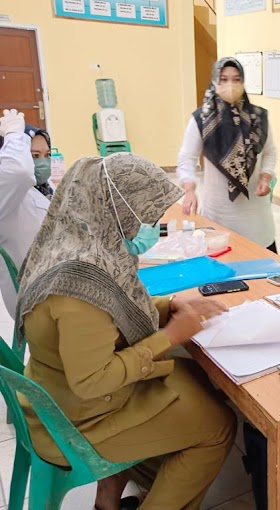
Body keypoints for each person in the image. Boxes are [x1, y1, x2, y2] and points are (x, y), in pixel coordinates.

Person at [16, 153, 237, 510]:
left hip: (61, 392)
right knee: (219, 426)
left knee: (191, 376)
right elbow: (92, 380)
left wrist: (168, 308)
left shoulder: (81, 244)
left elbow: (115, 308)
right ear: (119, 211)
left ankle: (110, 498)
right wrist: (172, 335)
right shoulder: (79, 286)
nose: (153, 225)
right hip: (76, 417)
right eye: (147, 216)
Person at [178, 57, 278, 251]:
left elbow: (270, 152)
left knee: (262, 270)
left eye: (236, 79)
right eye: (223, 79)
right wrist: (189, 189)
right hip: (219, 213)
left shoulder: (258, 117)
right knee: (222, 271)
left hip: (256, 215)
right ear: (215, 82)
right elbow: (187, 158)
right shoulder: (202, 120)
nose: (230, 85)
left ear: (243, 82)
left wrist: (265, 176)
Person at [0, 109, 54, 319]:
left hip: (60, 286)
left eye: (47, 155)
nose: (43, 162)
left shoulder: (44, 188)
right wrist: (14, 135)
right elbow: (18, 172)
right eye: (34, 156)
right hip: (33, 298)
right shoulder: (7, 191)